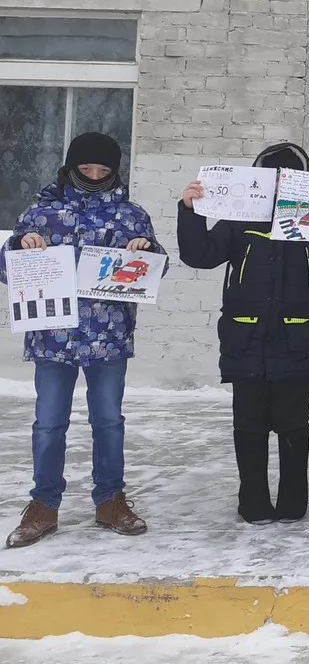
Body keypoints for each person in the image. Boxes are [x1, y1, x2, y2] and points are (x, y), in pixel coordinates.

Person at [2, 133, 167, 548]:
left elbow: (154, 269)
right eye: (87, 169)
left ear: (115, 171)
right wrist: (20, 245)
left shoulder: (132, 215)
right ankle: (43, 505)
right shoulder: (41, 214)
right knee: (48, 424)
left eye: (104, 170)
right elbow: (7, 269)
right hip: (52, 336)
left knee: (109, 421)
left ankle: (110, 500)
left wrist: (145, 250)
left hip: (108, 336)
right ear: (71, 168)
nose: (94, 176)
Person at [177, 142, 309, 524]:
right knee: (249, 423)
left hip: (298, 337)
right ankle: (252, 500)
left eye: (288, 176)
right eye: (271, 176)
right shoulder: (240, 217)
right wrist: (189, 211)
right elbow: (200, 255)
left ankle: (293, 501)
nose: (278, 184)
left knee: (293, 421)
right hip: (246, 337)